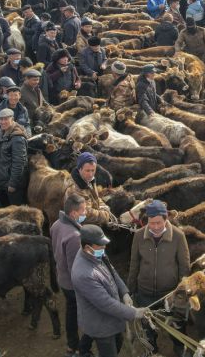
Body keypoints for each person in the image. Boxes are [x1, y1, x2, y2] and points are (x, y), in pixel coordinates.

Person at [71, 225, 147, 357]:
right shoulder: (83, 274)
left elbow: (112, 272)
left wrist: (124, 292)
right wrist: (134, 313)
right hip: (101, 325)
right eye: (100, 246)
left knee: (118, 342)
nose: (104, 249)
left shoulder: (95, 253)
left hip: (112, 317)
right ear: (88, 247)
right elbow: (106, 303)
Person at [128, 200, 190, 356]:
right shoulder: (138, 236)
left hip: (169, 294)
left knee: (176, 324)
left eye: (158, 223)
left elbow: (184, 266)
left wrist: (180, 293)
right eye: (151, 223)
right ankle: (152, 350)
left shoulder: (178, 236)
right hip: (145, 293)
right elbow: (134, 264)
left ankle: (179, 348)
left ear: (166, 219)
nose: (155, 227)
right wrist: (130, 290)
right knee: (147, 326)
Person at [50, 194, 93, 357]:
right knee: (83, 313)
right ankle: (79, 347)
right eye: (84, 210)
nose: (86, 212)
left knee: (71, 310)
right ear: (74, 213)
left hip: (62, 277)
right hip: (73, 284)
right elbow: (75, 268)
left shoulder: (56, 224)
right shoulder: (75, 236)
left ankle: (71, 345)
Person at [0, 108, 29, 206]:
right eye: (1, 119)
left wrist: (13, 184)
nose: (3, 122)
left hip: (12, 183)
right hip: (3, 180)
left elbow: (19, 163)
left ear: (12, 119)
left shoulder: (17, 138)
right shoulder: (3, 133)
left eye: (6, 119)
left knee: (15, 210)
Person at [64, 152, 111, 226]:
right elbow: (86, 214)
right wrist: (105, 214)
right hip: (80, 227)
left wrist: (104, 206)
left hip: (93, 222)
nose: (91, 174)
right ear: (80, 169)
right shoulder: (74, 189)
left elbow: (96, 198)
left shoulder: (89, 180)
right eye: (87, 170)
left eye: (93, 170)